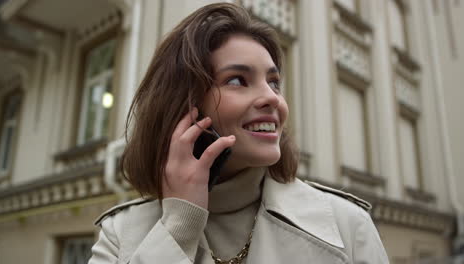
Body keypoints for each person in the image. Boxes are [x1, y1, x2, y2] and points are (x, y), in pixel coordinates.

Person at [88, 3, 389, 264]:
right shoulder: (120, 235)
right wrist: (179, 226)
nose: (273, 99)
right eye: (237, 80)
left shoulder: (347, 226)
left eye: (273, 82)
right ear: (184, 104)